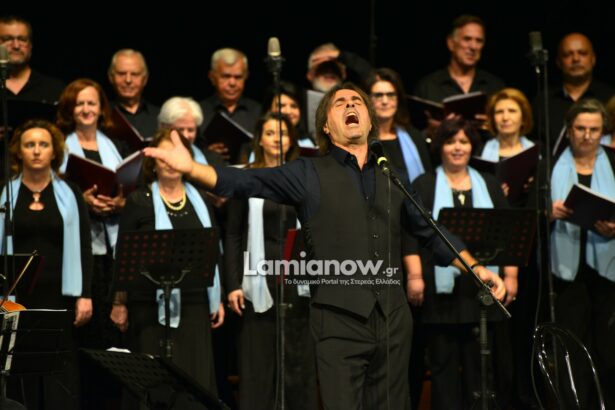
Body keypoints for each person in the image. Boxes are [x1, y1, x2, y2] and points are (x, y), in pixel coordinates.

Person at [144, 82, 505, 409]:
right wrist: (192, 168)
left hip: (393, 319)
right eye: (339, 103)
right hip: (338, 321)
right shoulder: (308, 173)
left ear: (369, 120)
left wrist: (476, 270)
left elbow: (431, 231)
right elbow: (246, 182)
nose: (351, 105)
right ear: (327, 128)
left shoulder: (390, 174)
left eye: (357, 101)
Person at [408, 119, 517, 410]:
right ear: (440, 147)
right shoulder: (424, 184)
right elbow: (410, 235)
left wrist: (511, 276)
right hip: (440, 295)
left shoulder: (489, 183)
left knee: (480, 371)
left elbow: (509, 233)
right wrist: (414, 275)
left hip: (482, 290)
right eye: (450, 141)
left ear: (472, 147)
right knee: (443, 369)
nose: (457, 148)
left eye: (464, 142)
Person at [110, 128, 224, 395]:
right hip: (149, 304)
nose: (170, 161)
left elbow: (212, 251)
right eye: (164, 156)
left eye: (176, 154)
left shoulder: (200, 199)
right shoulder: (139, 200)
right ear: (153, 162)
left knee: (195, 377)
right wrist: (119, 302)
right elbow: (122, 255)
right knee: (155, 381)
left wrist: (217, 298)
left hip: (194, 302)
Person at [225, 112, 317, 409]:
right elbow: (233, 234)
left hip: (297, 279)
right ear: (259, 140)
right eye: (269, 133)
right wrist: (233, 284)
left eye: (283, 133)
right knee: (259, 364)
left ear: (292, 140)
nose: (277, 139)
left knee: (298, 361)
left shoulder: (304, 177)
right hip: (257, 280)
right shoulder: (245, 178)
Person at [0, 120, 92, 409]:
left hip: (60, 294)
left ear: (54, 151)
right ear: (19, 151)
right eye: (30, 145)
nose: (37, 151)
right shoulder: (6, 192)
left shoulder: (70, 192)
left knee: (59, 370)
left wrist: (85, 294)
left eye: (43, 144)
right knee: (18, 369)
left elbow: (84, 246)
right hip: (17, 295)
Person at [550, 98, 615, 408]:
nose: (587, 136)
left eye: (594, 129)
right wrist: (549, 213)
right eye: (580, 128)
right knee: (572, 345)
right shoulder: (550, 164)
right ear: (569, 130)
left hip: (608, 270)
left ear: (603, 131)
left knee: (608, 347)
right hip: (567, 271)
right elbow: (530, 213)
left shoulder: (613, 162)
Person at [414, 15, 505, 136]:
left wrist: (494, 125)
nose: (473, 47)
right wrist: (430, 132)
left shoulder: (495, 86)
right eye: (467, 39)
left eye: (479, 41)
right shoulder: (428, 86)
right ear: (451, 43)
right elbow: (412, 135)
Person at [542, 33, 615, 156]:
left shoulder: (610, 98)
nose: (575, 59)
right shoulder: (542, 101)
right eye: (567, 54)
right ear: (558, 62)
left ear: (593, 59)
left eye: (582, 53)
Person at [365, 67, 432, 183]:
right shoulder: (361, 140)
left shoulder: (414, 136)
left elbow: (427, 179)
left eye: (391, 95)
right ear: (368, 99)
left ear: (398, 99)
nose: (385, 101)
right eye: (378, 95)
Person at [197, 48, 262, 160]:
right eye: (226, 76)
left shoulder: (259, 111)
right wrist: (206, 154)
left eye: (238, 77)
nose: (232, 83)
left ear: (246, 76)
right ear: (212, 77)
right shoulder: (198, 111)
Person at [483, 87, 535, 203]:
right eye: (499, 112)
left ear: (523, 118)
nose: (505, 118)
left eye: (512, 111)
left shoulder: (536, 151)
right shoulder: (480, 150)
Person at [0, 15, 65, 102]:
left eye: (22, 39)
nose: (16, 46)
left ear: (30, 45)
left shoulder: (55, 89)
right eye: (7, 39)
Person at [108, 48, 160, 140]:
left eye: (135, 74)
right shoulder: (101, 115)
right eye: (121, 74)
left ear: (145, 79)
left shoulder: (160, 116)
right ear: (111, 77)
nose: (128, 80)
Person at [158, 96, 224, 165]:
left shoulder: (213, 159)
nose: (186, 136)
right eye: (180, 130)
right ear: (163, 127)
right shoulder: (151, 156)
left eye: (190, 130)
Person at [262, 80, 316, 147]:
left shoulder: (307, 143)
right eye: (281, 106)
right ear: (268, 110)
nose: (288, 111)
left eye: (294, 106)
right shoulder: (258, 139)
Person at [306, 42, 372, 93]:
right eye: (323, 67)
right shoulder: (302, 102)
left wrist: (340, 55)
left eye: (334, 67)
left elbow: (370, 76)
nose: (329, 71)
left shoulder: (351, 101)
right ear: (310, 75)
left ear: (343, 74)